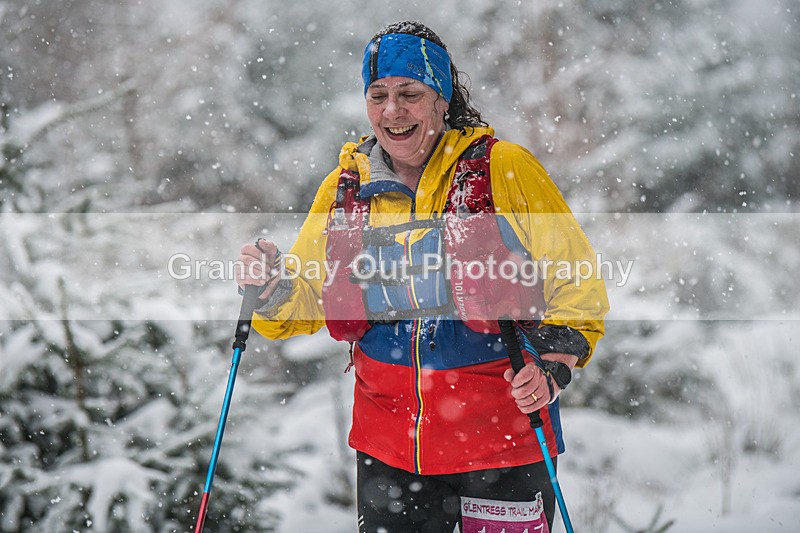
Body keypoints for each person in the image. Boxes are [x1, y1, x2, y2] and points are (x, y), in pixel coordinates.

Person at [236, 21, 609, 533]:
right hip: (390, 450)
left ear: (442, 100)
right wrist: (271, 286)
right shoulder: (346, 189)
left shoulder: (503, 168)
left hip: (502, 441)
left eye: (410, 93)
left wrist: (553, 364)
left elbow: (576, 279)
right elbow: (306, 302)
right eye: (379, 95)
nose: (393, 110)